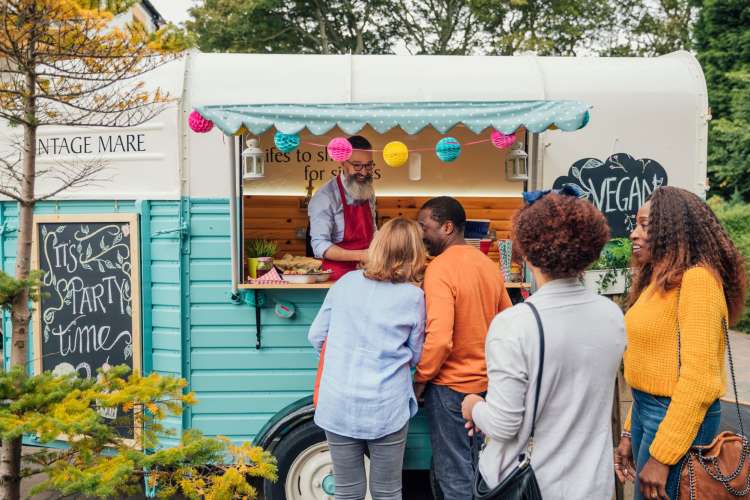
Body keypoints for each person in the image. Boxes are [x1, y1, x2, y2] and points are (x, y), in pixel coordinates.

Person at [460, 190, 626, 500]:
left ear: (528, 251)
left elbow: (503, 424)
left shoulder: (513, 324)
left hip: (532, 485)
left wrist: (473, 406)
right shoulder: (611, 315)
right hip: (593, 485)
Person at [614, 186, 748, 500]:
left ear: (672, 231)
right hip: (649, 412)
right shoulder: (657, 282)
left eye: (645, 226)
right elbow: (654, 368)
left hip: (677, 419)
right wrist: (628, 430)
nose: (634, 234)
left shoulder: (698, 281)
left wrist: (662, 456)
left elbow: (699, 380)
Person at [308, 217, 427, 500]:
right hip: (386, 406)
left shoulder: (346, 282)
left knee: (347, 492)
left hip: (337, 403)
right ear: (414, 253)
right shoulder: (413, 297)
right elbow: (417, 354)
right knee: (387, 492)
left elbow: (316, 336)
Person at [413, 196, 513, 500]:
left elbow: (440, 338)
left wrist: (419, 381)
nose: (420, 233)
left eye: (424, 226)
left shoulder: (439, 269)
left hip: (450, 389)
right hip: (488, 388)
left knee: (455, 477)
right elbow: (507, 323)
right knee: (482, 472)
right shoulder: (488, 265)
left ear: (447, 227)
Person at [308, 135, 377, 280]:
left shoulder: (368, 190)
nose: (364, 172)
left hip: (369, 271)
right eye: (357, 165)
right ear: (343, 162)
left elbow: (373, 230)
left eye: (368, 165)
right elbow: (319, 245)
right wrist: (362, 255)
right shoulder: (325, 196)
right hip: (338, 277)